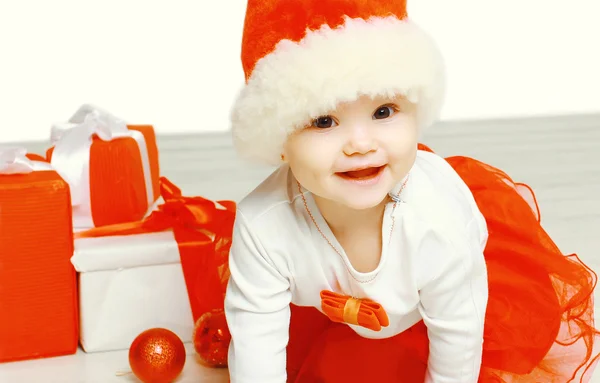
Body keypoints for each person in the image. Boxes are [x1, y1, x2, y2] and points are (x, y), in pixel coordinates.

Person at [216, 0, 600, 382]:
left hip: (445, 301)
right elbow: (257, 345)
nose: (361, 144)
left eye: (384, 111)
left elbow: (457, 338)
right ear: (279, 139)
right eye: (323, 120)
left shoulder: (438, 221)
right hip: (331, 308)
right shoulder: (264, 224)